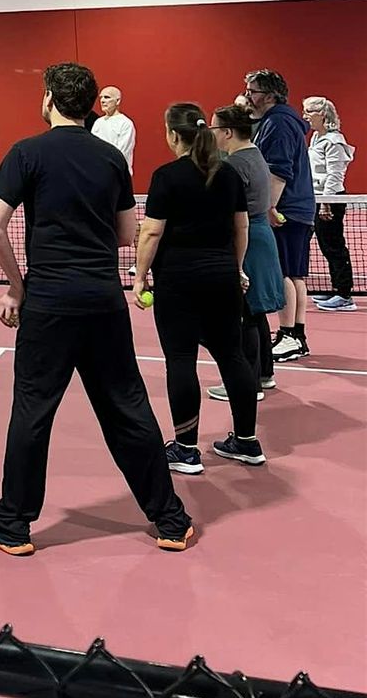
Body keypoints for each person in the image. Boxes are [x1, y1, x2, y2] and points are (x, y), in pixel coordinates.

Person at [0, 63, 193, 556]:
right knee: (127, 406)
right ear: (90, 104)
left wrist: (16, 288)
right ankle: (171, 520)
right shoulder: (111, 158)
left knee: (33, 409)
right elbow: (127, 234)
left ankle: (13, 524)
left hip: (49, 303)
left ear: (49, 98)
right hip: (103, 301)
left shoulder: (27, 152)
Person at [134, 104, 265, 474]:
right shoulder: (229, 174)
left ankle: (187, 449)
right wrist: (236, 268)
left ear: (174, 134)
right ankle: (246, 441)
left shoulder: (166, 176)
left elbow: (152, 232)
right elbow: (242, 227)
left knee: (181, 359)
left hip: (178, 281)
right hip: (222, 278)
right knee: (232, 356)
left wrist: (140, 277)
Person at [208, 103, 285, 399]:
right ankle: (264, 374)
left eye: (214, 128)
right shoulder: (256, 156)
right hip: (260, 237)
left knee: (243, 315)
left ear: (227, 132)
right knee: (254, 311)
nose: (211, 134)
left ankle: (246, 385)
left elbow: (228, 212)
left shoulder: (234, 165)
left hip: (248, 240)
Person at [244, 70, 316, 361]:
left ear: (270, 95)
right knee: (294, 273)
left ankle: (288, 334)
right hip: (297, 209)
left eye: (252, 91)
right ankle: (296, 335)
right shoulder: (281, 121)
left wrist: (269, 207)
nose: (248, 96)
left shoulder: (279, 123)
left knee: (283, 272)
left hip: (286, 209)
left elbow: (278, 170)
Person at [304, 96, 357, 313]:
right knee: (325, 245)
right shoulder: (317, 137)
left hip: (331, 200)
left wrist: (326, 203)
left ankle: (344, 295)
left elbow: (335, 175)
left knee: (333, 245)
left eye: (309, 112)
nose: (305, 116)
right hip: (316, 198)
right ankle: (336, 287)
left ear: (322, 115)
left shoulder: (335, 141)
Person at [92, 86, 136, 171]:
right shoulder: (98, 122)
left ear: (118, 101)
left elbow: (121, 152)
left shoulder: (125, 123)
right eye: (101, 97)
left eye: (107, 97)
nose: (102, 100)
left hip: (116, 172)